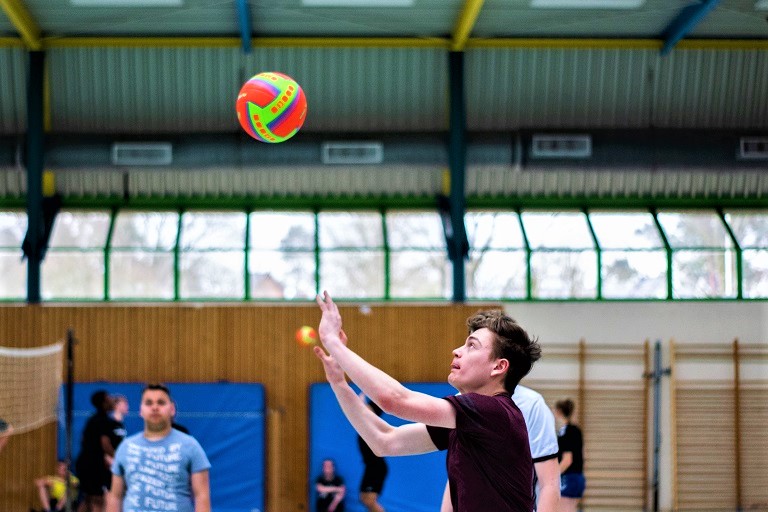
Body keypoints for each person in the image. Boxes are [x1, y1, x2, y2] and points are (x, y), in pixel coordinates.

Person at [313, 292, 542, 512]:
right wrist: (338, 382)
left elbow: (394, 400)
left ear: (499, 367)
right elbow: (384, 441)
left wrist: (333, 341)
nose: (456, 351)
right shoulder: (468, 423)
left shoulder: (495, 412)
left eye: (472, 345)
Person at [440, 383, 561, 512]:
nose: (456, 361)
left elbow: (550, 483)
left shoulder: (531, 403)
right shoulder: (459, 402)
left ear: (499, 366)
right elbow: (457, 473)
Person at [106, 384, 211, 512]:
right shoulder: (126, 447)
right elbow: (115, 497)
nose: (155, 407)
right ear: (141, 410)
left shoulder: (190, 446)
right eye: (149, 403)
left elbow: (202, 496)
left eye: (161, 403)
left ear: (172, 409)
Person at [76, 390, 117, 512]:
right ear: (104, 402)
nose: (112, 399)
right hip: (92, 466)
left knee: (88, 499)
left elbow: (84, 440)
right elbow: (105, 444)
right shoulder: (103, 420)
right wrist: (120, 458)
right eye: (109, 397)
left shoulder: (92, 419)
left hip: (84, 463)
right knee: (98, 500)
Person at [357, 396, 388, 512]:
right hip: (370, 467)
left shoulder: (374, 428)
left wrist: (361, 402)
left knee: (370, 500)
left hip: (377, 467)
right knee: (363, 497)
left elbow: (365, 412)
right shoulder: (364, 426)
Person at [554, 399, 585, 512]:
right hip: (578, 477)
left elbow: (567, 460)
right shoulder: (576, 430)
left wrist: (553, 476)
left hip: (568, 478)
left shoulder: (565, 432)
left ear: (559, 412)